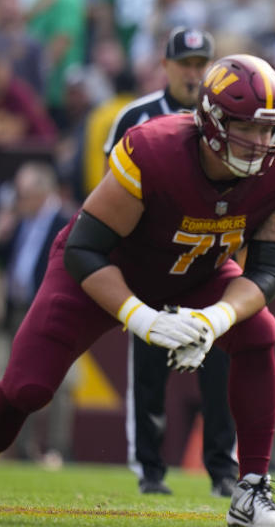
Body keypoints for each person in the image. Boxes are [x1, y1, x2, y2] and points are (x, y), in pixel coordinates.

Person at [0, 54, 275, 527]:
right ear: (210, 121)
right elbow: (84, 250)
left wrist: (212, 320)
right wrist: (143, 319)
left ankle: (251, 493)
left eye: (270, 129)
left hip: (198, 271)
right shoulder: (154, 149)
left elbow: (267, 270)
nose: (261, 142)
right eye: (246, 127)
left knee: (259, 331)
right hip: (108, 267)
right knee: (28, 387)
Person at [104, 26, 239, 497]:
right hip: (151, 262)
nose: (194, 73)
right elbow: (110, 195)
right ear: (165, 66)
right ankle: (150, 469)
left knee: (221, 365)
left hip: (209, 257)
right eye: (186, 64)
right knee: (148, 368)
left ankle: (224, 471)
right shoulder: (136, 116)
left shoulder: (230, 113)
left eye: (202, 64)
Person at [0, 161, 72, 467]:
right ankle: (21, 450)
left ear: (42, 192)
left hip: (52, 311)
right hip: (17, 310)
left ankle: (57, 449)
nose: (17, 200)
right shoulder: (18, 221)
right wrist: (0, 235)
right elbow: (0, 261)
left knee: (60, 382)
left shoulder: (65, 220)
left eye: (22, 194)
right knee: (12, 379)